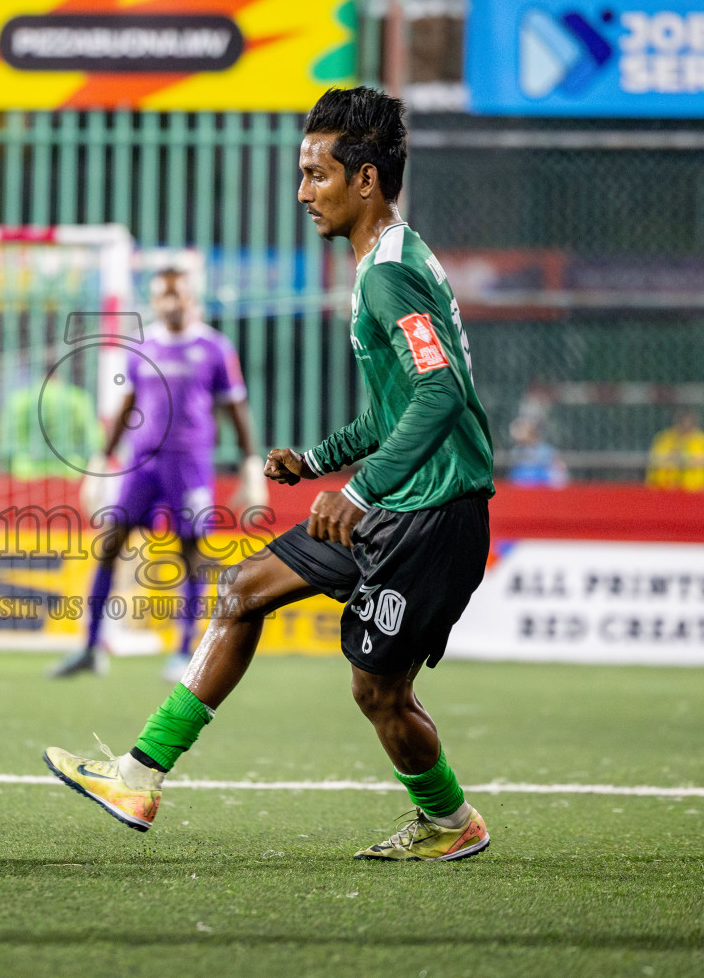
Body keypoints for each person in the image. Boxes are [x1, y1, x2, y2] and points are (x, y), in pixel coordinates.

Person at [44, 86, 497, 862]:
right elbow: (398, 409)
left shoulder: (387, 273)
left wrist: (356, 490)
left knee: (379, 694)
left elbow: (442, 391)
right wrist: (317, 461)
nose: (302, 192)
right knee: (244, 588)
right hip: (403, 500)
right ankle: (138, 774)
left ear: (366, 180)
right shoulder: (386, 261)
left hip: (433, 515)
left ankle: (452, 824)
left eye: (318, 175)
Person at [50, 268, 264, 683]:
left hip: (189, 466)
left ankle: (184, 651)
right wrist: (100, 460)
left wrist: (251, 462)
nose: (169, 303)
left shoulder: (215, 348)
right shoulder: (142, 346)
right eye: (161, 296)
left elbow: (235, 408)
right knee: (109, 544)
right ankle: (91, 647)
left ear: (190, 297)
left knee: (191, 555)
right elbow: (128, 405)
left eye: (176, 295)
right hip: (142, 463)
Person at [645, 409, 704, 492]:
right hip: (665, 489)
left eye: (689, 424)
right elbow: (653, 461)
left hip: (695, 489)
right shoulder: (664, 438)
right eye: (682, 423)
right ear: (676, 423)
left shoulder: (703, 440)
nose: (686, 426)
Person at [506, 416, 569, 488]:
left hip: (543, 487)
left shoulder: (545, 450)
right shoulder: (515, 451)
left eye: (521, 430)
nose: (518, 433)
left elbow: (560, 470)